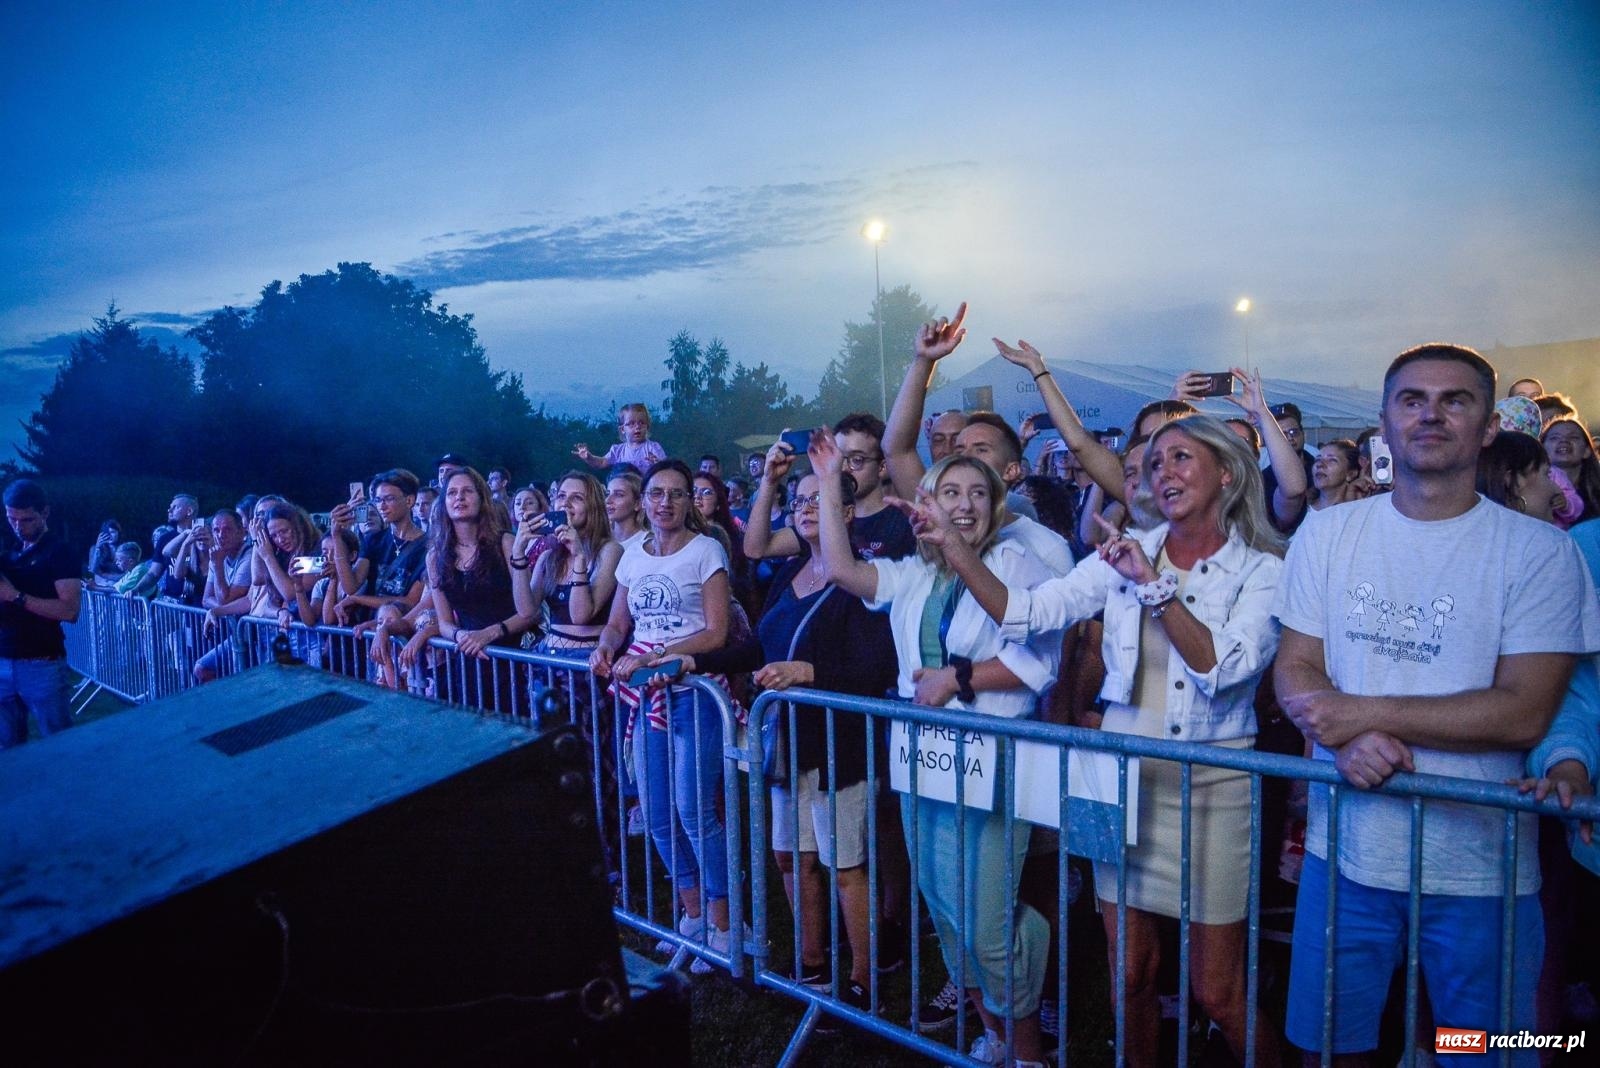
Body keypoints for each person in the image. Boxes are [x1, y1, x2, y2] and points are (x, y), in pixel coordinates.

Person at [1273, 343, 1600, 1066]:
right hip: (1344, 858)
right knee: (1335, 1048)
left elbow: (1522, 712)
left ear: (1488, 427)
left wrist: (1356, 713)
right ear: (1384, 424)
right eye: (1412, 400)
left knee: (1475, 1052)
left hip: (1479, 870)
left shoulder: (1540, 553)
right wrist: (1347, 740)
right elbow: (1295, 669)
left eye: (1456, 400)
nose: (1432, 414)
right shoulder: (1328, 534)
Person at [935, 414, 1284, 1066]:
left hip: (1211, 780)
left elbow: (1221, 668)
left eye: (1182, 458)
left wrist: (1151, 584)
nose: (1164, 473)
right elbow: (1027, 612)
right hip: (1115, 775)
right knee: (1129, 976)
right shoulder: (1128, 549)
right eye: (1155, 464)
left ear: (1228, 473)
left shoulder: (1259, 570)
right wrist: (954, 551)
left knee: (1217, 990)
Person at [811, 434, 1060, 1068]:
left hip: (995, 759)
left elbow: (1038, 661)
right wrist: (833, 483)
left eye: (979, 493)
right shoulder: (915, 572)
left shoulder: (1016, 566)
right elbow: (842, 571)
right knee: (947, 915)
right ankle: (997, 1034)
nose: (966, 505)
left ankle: (1029, 1052)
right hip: (924, 760)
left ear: (997, 507)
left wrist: (959, 680)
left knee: (990, 924)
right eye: (951, 492)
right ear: (927, 504)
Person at [690, 468, 899, 1010]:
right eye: (799, 500)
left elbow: (878, 666)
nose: (805, 508)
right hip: (789, 745)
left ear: (847, 514)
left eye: (819, 499)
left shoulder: (867, 578)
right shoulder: (789, 573)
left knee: (846, 867)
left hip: (840, 747)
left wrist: (811, 673)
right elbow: (759, 650)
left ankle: (863, 980)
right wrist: (693, 659)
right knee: (790, 857)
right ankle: (812, 964)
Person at [589, 459, 737, 973]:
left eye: (677, 494)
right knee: (655, 813)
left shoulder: (706, 551)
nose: (666, 502)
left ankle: (726, 924)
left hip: (694, 691)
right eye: (657, 493)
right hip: (644, 694)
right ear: (644, 499)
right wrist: (606, 649)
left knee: (695, 811)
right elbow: (616, 622)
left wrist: (656, 655)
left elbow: (718, 632)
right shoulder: (632, 555)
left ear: (689, 502)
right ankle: (692, 916)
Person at [426, 467, 536, 708]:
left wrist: (490, 633)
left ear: (482, 498)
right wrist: (459, 635)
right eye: (452, 493)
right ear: (444, 503)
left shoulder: (506, 543)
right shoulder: (435, 556)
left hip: (509, 660)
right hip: (466, 659)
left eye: (467, 491)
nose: (459, 497)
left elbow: (528, 612)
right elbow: (444, 621)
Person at [193, 510, 253, 683]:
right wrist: (219, 608)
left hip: (253, 633)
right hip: (238, 632)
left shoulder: (248, 555)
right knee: (202, 669)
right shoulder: (217, 555)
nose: (220, 535)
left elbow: (225, 600)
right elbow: (206, 599)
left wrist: (218, 566)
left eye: (227, 530)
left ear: (241, 532)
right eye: (216, 530)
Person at [574, 402, 667, 473]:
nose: (637, 427)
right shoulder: (617, 451)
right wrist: (588, 457)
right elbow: (601, 463)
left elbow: (666, 468)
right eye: (631, 424)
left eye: (641, 423)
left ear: (647, 426)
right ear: (623, 429)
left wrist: (658, 464)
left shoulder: (653, 448)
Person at [1542, 417, 1600, 521]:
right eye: (1554, 437)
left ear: (1587, 451)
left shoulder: (1596, 493)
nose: (1564, 441)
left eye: (1573, 437)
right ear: (1541, 448)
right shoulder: (1531, 486)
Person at [1309, 439, 1363, 512]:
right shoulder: (1299, 511)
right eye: (1318, 459)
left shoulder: (1359, 510)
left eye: (1332, 460)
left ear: (1351, 474)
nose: (1320, 465)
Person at [605, 469, 646, 546]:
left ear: (638, 504)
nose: (608, 500)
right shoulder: (599, 539)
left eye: (619, 495)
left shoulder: (646, 543)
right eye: (607, 494)